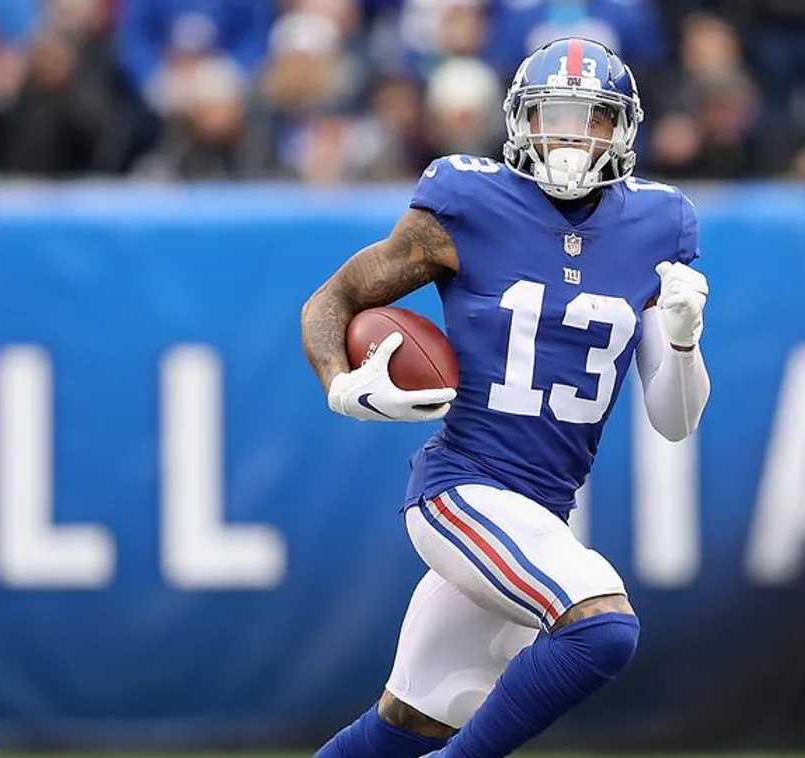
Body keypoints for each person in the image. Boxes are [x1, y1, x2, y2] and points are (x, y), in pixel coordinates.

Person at [299, 36, 711, 758]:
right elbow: (332, 299)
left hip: (541, 508)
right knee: (601, 626)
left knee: (407, 724)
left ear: (622, 128)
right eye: (554, 115)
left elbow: (673, 421)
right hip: (462, 488)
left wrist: (681, 340)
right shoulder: (468, 201)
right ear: (521, 119)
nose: (571, 137)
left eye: (592, 118)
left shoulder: (658, 224)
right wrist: (339, 383)